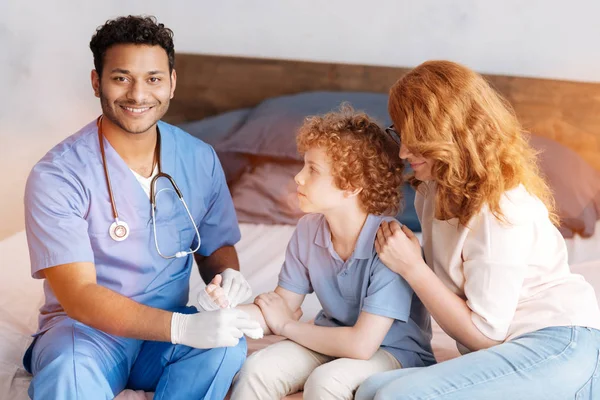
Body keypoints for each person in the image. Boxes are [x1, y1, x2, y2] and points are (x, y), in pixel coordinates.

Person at [22, 15, 259, 400]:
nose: (138, 94)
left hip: (163, 339)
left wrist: (228, 276)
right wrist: (181, 330)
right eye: (121, 78)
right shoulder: (58, 175)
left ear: (172, 83)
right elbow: (79, 295)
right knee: (69, 374)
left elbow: (215, 247)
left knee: (226, 345)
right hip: (86, 334)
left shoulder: (199, 158)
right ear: (97, 81)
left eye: (153, 78)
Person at [356, 60, 600, 400]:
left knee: (397, 396)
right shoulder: (431, 192)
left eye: (415, 137)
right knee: (368, 389)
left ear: (448, 132)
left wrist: (413, 267)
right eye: (398, 132)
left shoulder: (502, 206)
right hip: (506, 350)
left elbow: (485, 334)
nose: (403, 151)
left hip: (560, 341)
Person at [226, 107, 435, 400]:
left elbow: (361, 345)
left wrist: (286, 326)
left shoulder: (391, 243)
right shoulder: (308, 230)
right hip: (328, 338)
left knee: (327, 381)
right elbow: (282, 303)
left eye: (312, 169)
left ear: (351, 187)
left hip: (392, 352)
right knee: (257, 368)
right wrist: (223, 315)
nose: (298, 177)